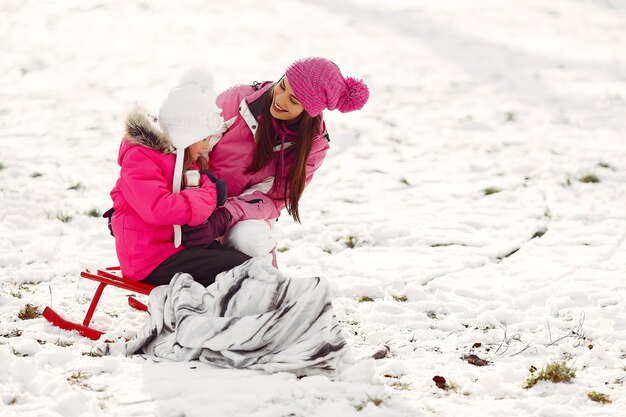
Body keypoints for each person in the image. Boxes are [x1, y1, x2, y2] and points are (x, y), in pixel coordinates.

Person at [181, 57, 369, 261]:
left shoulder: (313, 147)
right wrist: (200, 198)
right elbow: (193, 147)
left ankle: (264, 283)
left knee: (247, 238)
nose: (280, 100)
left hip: (246, 211)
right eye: (282, 87)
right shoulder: (239, 100)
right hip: (196, 192)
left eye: (294, 100)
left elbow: (272, 197)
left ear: (309, 111)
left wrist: (224, 215)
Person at [109, 69, 250, 287]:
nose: (206, 145)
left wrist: (208, 190)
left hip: (176, 249)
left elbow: (200, 188)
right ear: (187, 134)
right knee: (234, 269)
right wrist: (210, 196)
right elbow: (158, 208)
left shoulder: (183, 158)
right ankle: (217, 313)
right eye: (203, 138)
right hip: (149, 260)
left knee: (245, 264)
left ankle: (252, 306)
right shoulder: (141, 158)